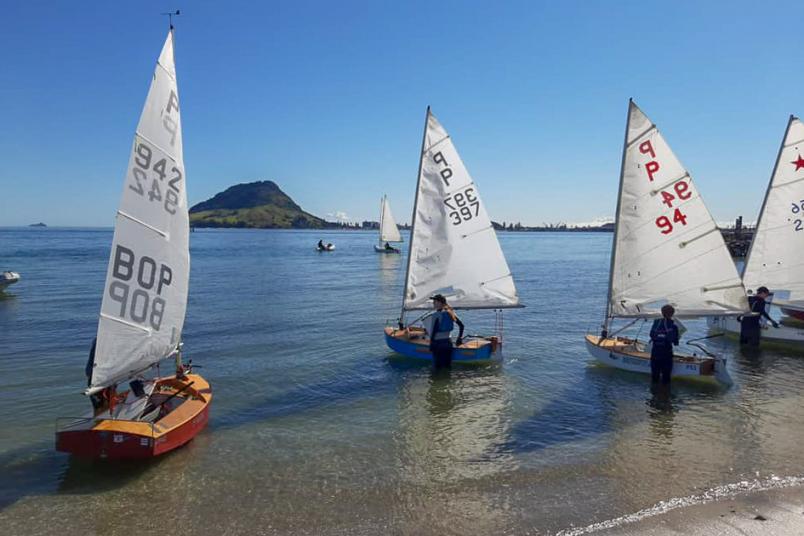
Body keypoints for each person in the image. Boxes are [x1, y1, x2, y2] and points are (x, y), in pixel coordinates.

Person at [426, 294, 465, 368]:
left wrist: (431, 345)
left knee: (437, 369)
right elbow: (461, 325)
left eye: (435, 301)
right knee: (447, 367)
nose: (433, 303)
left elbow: (434, 331)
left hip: (438, 344)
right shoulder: (451, 313)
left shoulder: (436, 315)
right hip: (448, 343)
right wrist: (459, 338)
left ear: (440, 303)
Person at [649, 305, 679, 385]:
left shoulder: (656, 323)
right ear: (672, 314)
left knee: (655, 377)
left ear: (662, 313)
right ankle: (665, 395)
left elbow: (651, 335)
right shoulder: (673, 326)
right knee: (666, 378)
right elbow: (675, 342)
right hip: (666, 354)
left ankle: (654, 395)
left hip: (655, 353)